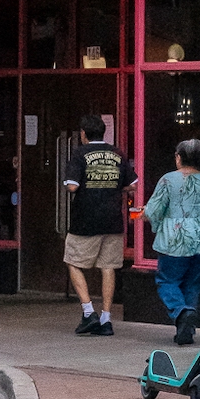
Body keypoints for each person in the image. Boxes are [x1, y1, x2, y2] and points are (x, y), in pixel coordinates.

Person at [143, 138, 200, 346]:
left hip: (174, 239)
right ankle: (186, 329)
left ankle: (181, 312)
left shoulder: (168, 180)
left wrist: (147, 216)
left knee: (167, 281)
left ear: (179, 158)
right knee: (193, 284)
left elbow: (154, 210)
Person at [62, 115, 135, 337]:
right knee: (108, 267)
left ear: (83, 133)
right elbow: (132, 184)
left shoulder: (80, 154)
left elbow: (72, 186)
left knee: (73, 261)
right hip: (112, 219)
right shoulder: (117, 153)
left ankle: (88, 312)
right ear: (103, 132)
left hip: (85, 219)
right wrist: (112, 187)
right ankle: (106, 319)